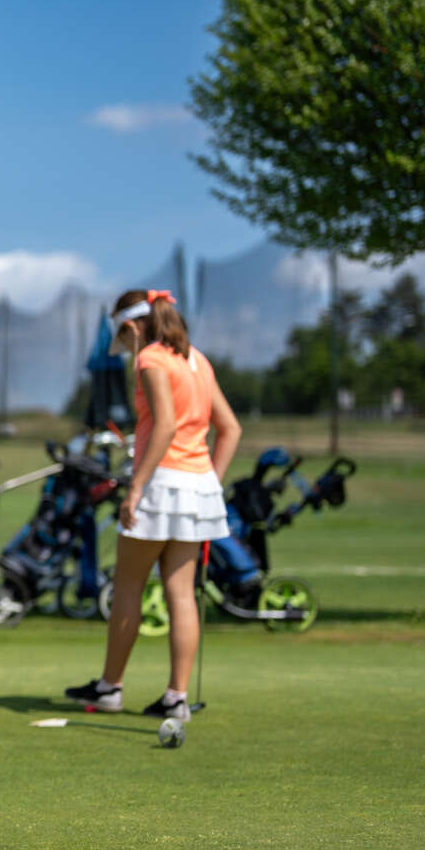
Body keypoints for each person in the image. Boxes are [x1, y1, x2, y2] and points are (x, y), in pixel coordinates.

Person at [64, 289, 241, 721]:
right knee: (181, 592)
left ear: (130, 327)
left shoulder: (151, 359)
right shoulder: (197, 359)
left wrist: (136, 488)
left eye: (124, 340)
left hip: (160, 484)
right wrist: (209, 484)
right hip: (197, 486)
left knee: (128, 586)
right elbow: (230, 429)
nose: (126, 349)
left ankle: (110, 688)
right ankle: (176, 698)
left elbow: (165, 426)